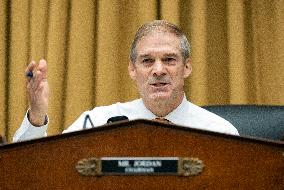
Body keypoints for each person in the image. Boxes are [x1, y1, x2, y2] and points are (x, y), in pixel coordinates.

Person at [13, 20, 239, 142]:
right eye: (147, 61)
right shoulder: (96, 123)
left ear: (187, 67)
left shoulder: (220, 132)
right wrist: (37, 115)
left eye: (169, 60)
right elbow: (35, 168)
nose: (158, 70)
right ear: (132, 69)